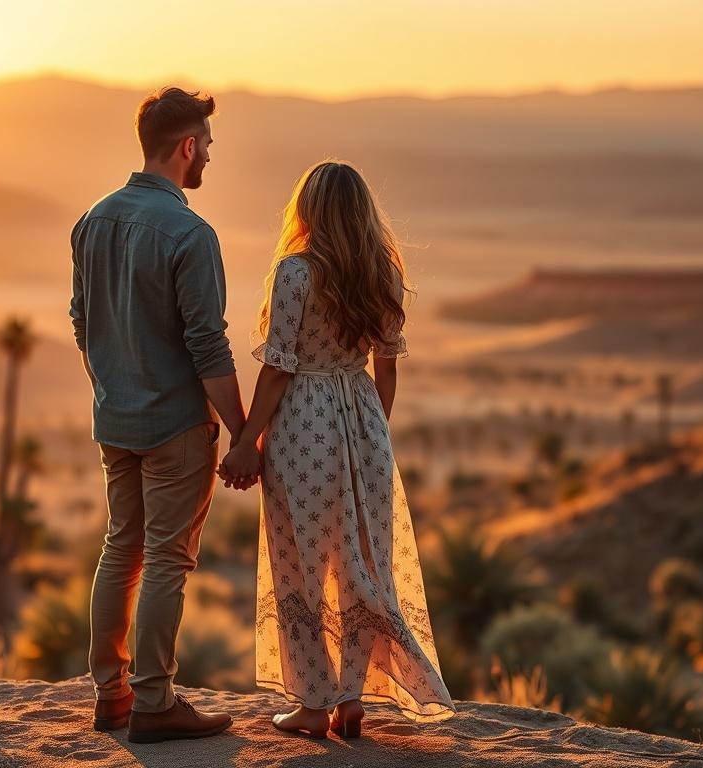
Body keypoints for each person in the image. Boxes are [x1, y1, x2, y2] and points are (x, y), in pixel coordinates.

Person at [219, 161, 456, 738]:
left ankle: (311, 704)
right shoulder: (384, 272)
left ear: (309, 210)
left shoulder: (294, 273)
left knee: (302, 560)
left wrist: (248, 440)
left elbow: (278, 369)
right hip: (364, 420)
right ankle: (351, 699)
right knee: (359, 560)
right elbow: (388, 368)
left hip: (304, 423)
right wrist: (371, 432)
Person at [69, 86, 253, 744]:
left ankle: (110, 696)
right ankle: (154, 702)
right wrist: (240, 432)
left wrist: (112, 386)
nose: (208, 157)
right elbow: (208, 344)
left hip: (114, 419)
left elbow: (81, 322)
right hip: (175, 425)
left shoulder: (92, 219)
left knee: (121, 550)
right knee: (167, 559)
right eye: (205, 146)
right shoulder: (189, 234)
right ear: (185, 146)